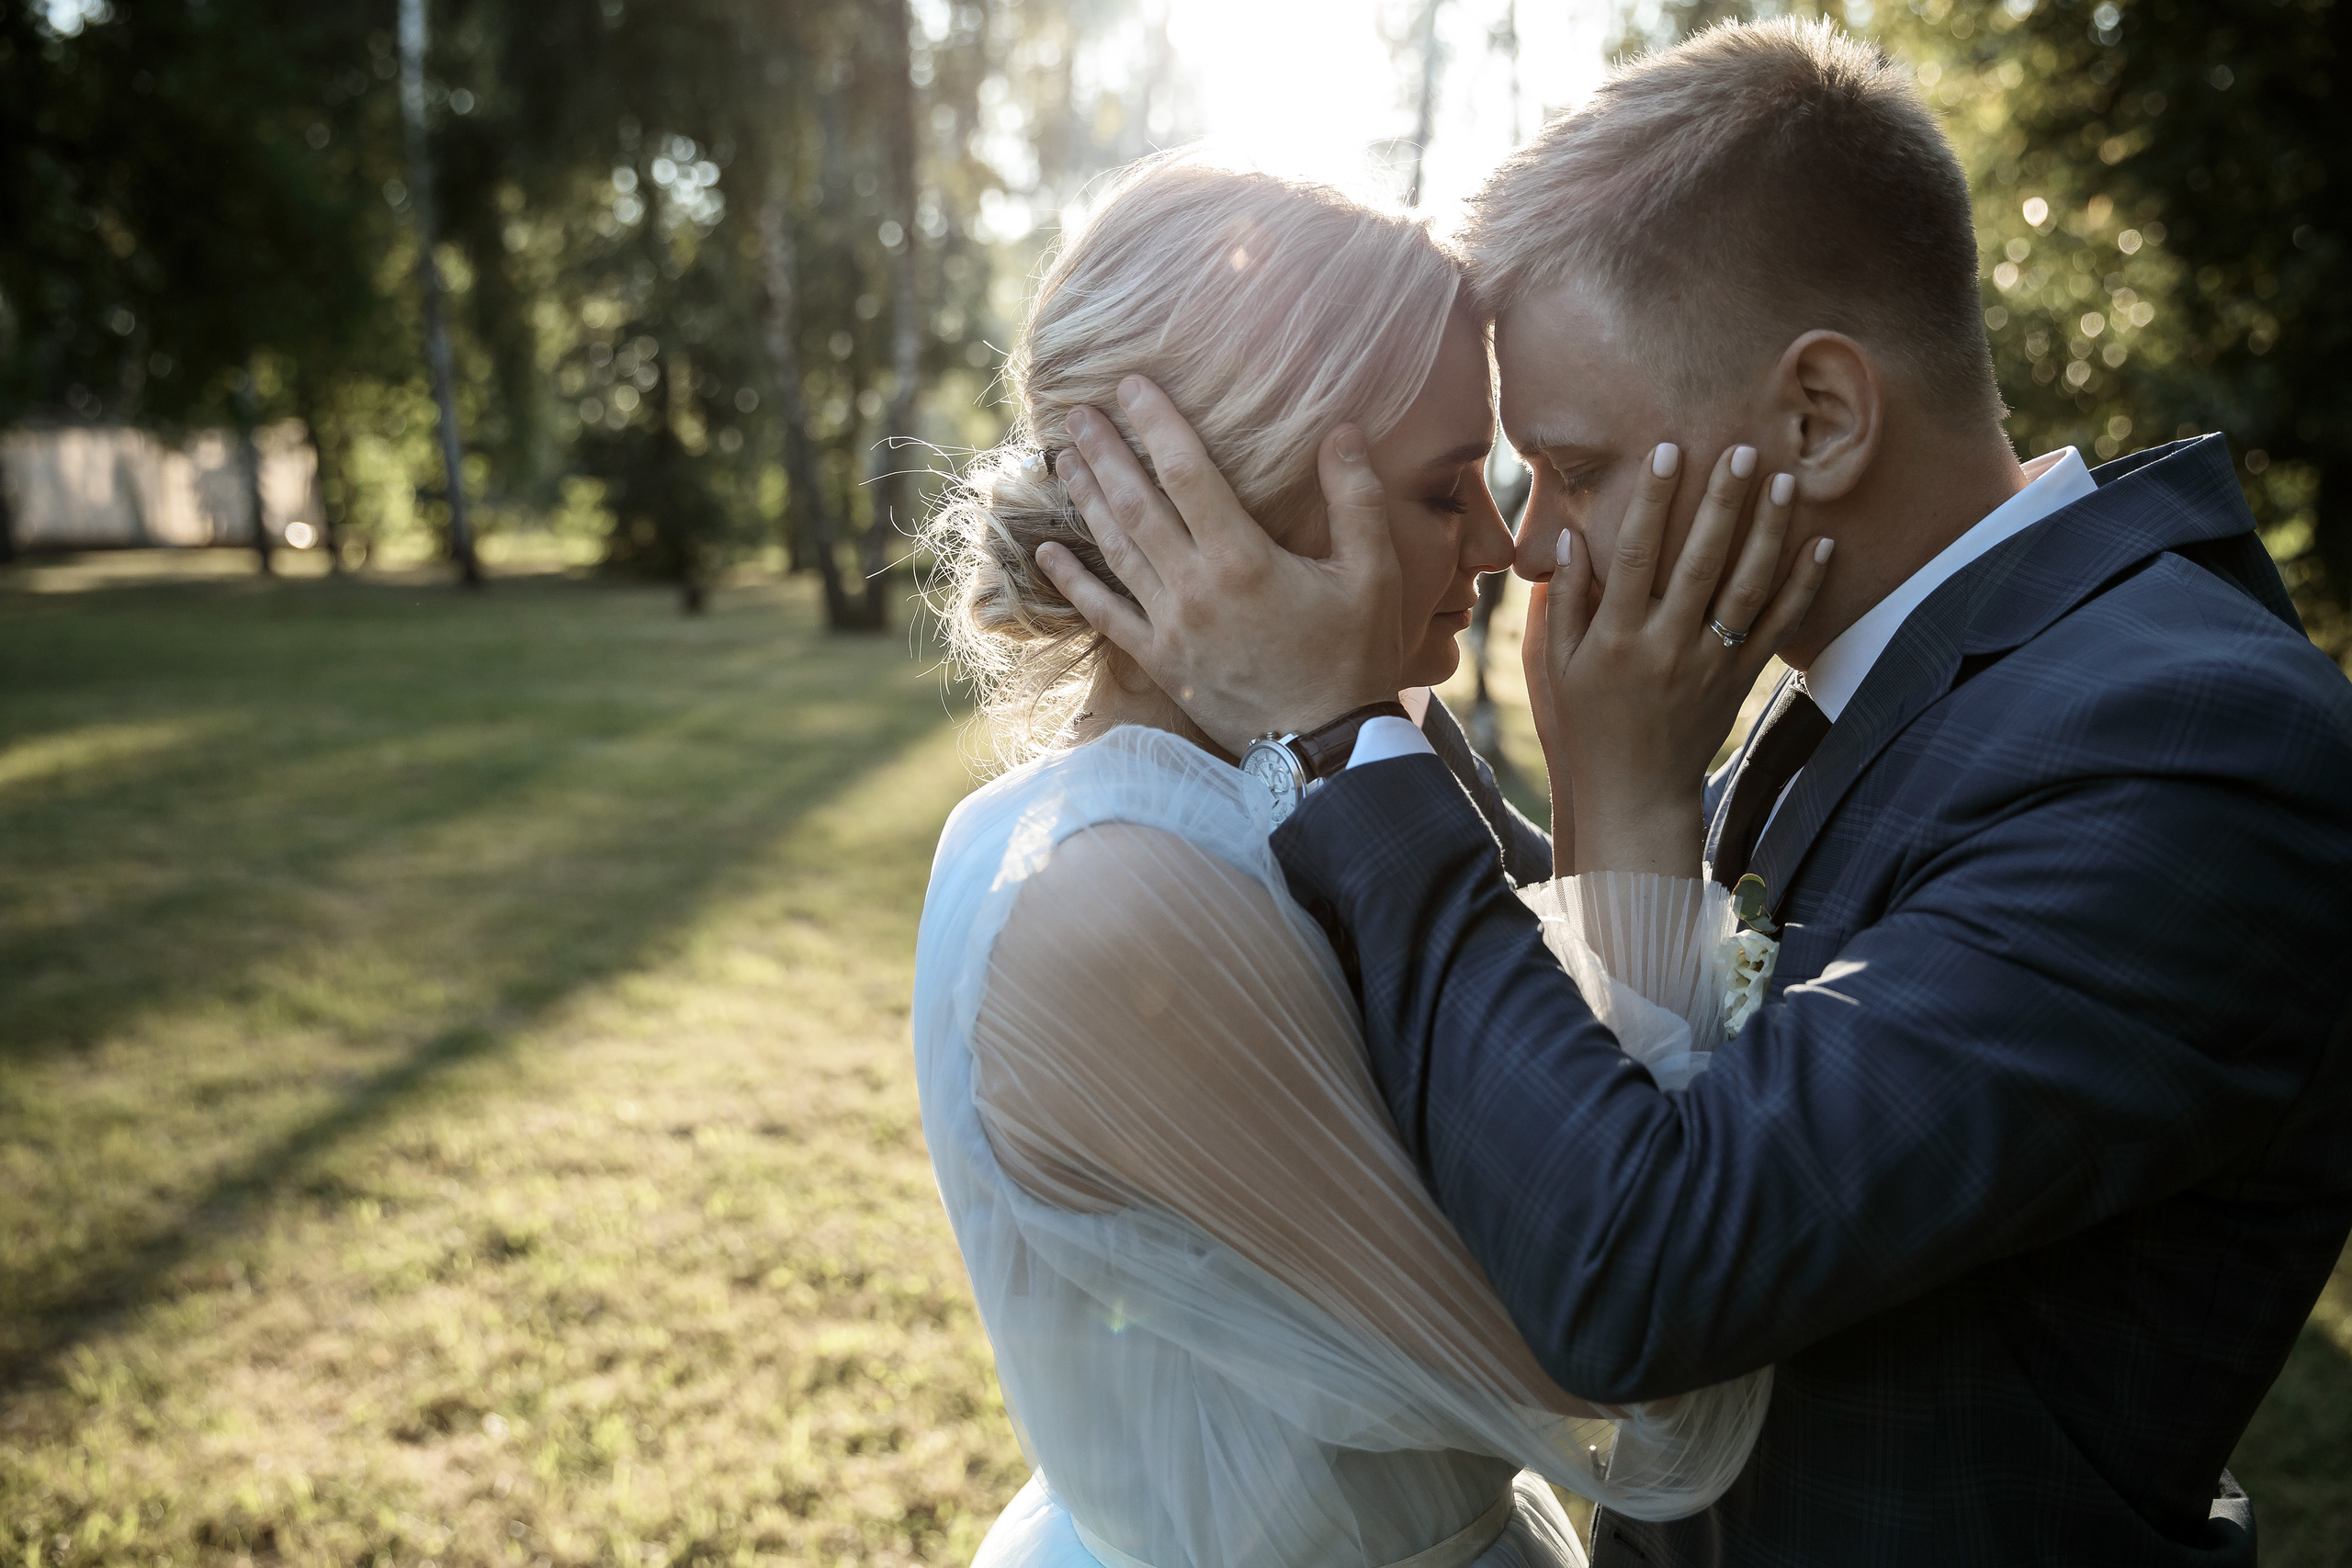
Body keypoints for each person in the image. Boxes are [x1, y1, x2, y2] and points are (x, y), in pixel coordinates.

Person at [1033, 18, 2352, 1568]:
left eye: (1575, 469)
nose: (1532, 547)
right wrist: (1594, 792)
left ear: (1819, 417)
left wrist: (1340, 733)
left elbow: (1633, 1262)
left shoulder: (2187, 743)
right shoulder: (1928, 679)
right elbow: (1567, 1054)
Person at [912, 152, 1828, 1568]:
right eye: (1442, 490)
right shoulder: (1119, 892)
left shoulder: (1304, 784)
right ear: (1215, 498)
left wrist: (1584, 779)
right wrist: (1634, 797)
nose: (1510, 545)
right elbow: (1621, 1367)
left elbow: (1552, 1103)